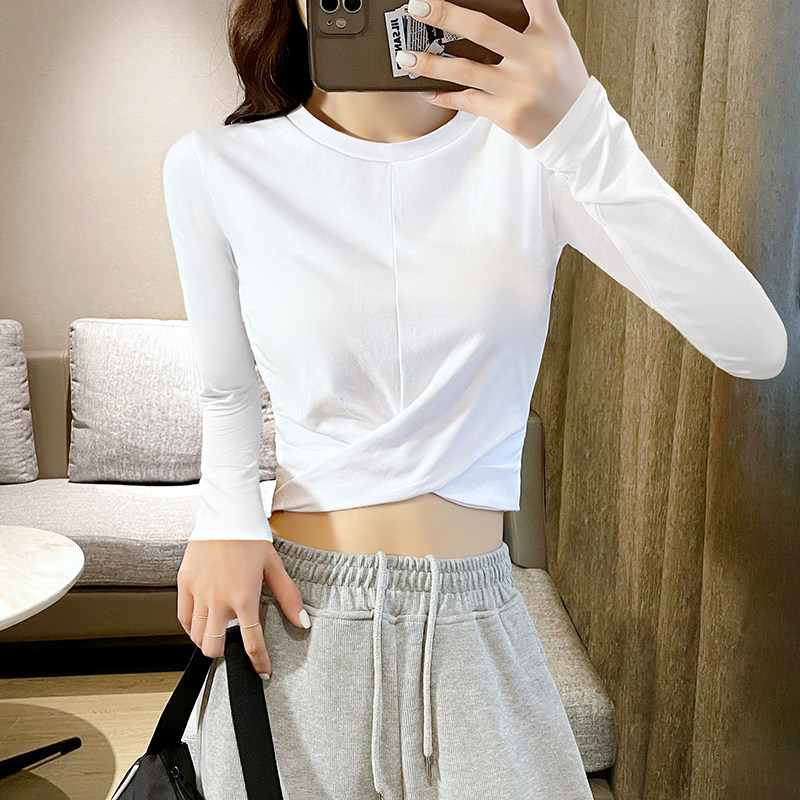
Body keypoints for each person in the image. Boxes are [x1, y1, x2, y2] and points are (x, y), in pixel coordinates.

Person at [161, 0, 788, 796]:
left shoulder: (533, 156)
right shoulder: (216, 167)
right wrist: (223, 516)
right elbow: (226, 389)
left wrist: (582, 129)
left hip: (475, 624)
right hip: (297, 633)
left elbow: (755, 344)